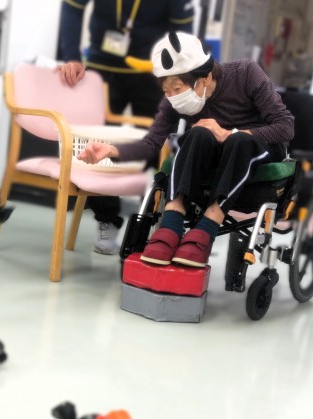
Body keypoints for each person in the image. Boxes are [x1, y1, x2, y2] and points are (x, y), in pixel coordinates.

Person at [77, 31, 294, 267]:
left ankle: (209, 225)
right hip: (217, 156)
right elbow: (152, 142)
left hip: (259, 150)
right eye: (166, 90)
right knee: (197, 134)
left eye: (177, 88)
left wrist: (229, 133)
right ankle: (172, 222)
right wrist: (112, 151)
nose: (172, 97)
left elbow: (286, 127)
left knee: (237, 141)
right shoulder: (174, 100)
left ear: (205, 78)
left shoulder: (245, 73)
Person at [58, 0, 194, 255]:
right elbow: (72, 7)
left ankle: (152, 220)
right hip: (104, 67)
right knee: (97, 145)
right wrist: (71, 56)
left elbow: (183, 32)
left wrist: (181, 74)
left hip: (153, 71)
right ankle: (106, 218)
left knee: (156, 145)